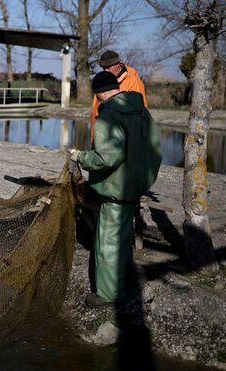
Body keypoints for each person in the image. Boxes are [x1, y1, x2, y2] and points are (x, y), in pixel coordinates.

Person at [69, 71, 162, 308]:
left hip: (115, 191)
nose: (97, 100)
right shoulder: (142, 111)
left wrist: (81, 156)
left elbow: (106, 157)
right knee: (123, 239)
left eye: (96, 95)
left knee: (108, 244)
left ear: (100, 92)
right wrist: (145, 181)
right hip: (135, 188)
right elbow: (155, 151)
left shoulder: (109, 115)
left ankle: (108, 295)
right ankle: (125, 283)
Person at [90, 50, 148, 144]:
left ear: (119, 65)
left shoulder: (133, 82)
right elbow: (94, 114)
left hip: (123, 143)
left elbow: (140, 115)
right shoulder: (103, 81)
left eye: (108, 67)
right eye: (103, 68)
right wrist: (93, 142)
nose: (106, 71)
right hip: (102, 138)